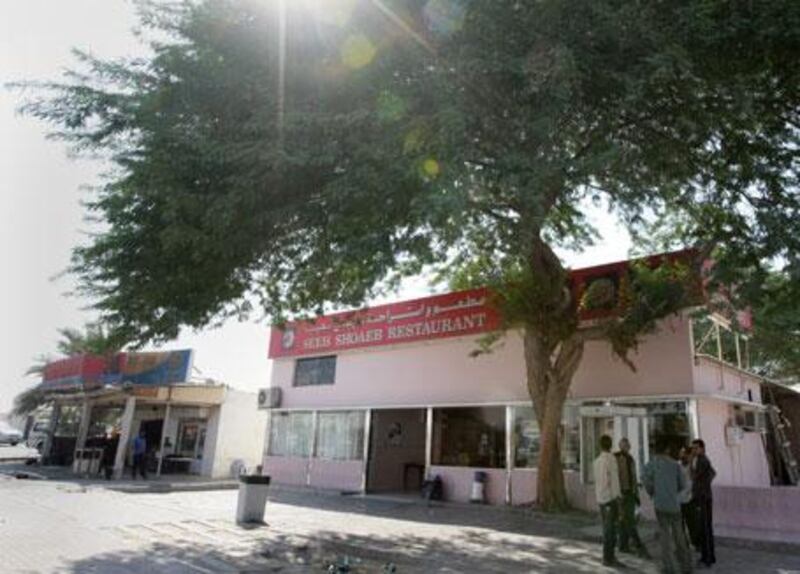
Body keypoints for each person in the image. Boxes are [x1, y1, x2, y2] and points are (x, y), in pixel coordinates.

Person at [643, 437, 692, 574]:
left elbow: (645, 480)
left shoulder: (651, 464)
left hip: (660, 504)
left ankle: (668, 568)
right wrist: (672, 491)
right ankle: (686, 567)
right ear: (667, 449)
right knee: (680, 537)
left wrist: (653, 491)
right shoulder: (675, 465)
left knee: (665, 538)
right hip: (674, 505)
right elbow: (683, 485)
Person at [615, 438, 650, 558]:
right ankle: (639, 546)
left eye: (627, 445)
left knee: (626, 520)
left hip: (630, 493)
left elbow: (633, 477)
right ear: (620, 446)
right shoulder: (617, 458)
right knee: (628, 521)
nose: (626, 447)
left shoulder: (630, 458)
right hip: (622, 493)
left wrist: (636, 494)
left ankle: (623, 545)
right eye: (623, 445)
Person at [594, 434, 623, 568]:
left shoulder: (597, 461)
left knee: (607, 529)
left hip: (601, 499)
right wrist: (618, 498)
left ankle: (609, 557)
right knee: (611, 530)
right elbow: (614, 480)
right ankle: (608, 558)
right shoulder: (611, 459)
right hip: (610, 499)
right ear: (611, 445)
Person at [691, 439, 716, 567]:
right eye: (693, 448)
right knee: (704, 528)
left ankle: (707, 558)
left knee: (705, 528)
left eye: (696, 448)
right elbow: (712, 473)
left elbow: (709, 474)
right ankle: (708, 556)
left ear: (701, 448)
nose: (694, 450)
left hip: (703, 499)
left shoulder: (702, 460)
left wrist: (702, 488)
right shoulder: (699, 460)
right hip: (703, 497)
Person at [678, 446, 698, 550]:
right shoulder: (677, 466)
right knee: (679, 526)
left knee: (693, 524)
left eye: (684, 453)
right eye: (681, 453)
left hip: (690, 499)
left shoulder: (693, 466)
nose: (681, 455)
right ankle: (683, 546)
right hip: (679, 501)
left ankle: (695, 543)